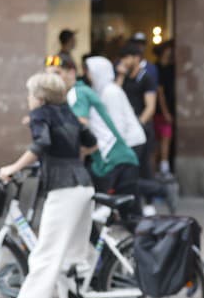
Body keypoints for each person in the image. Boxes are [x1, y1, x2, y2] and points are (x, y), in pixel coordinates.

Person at [0, 72, 96, 298]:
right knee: (74, 253)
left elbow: (41, 144)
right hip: (84, 185)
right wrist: (69, 158)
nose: (28, 99)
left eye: (29, 95)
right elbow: (90, 141)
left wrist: (12, 168)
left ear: (38, 97)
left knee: (45, 255)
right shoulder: (67, 112)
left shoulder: (41, 115)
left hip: (63, 189)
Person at [58, 56, 142, 221]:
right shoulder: (83, 91)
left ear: (71, 73)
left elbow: (81, 125)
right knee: (128, 216)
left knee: (131, 219)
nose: (53, 79)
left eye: (57, 73)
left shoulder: (77, 93)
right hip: (112, 159)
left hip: (114, 157)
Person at [116, 41, 158, 181]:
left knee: (144, 165)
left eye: (127, 58)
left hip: (142, 127)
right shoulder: (124, 77)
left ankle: (152, 197)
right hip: (126, 127)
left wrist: (139, 124)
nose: (124, 62)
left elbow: (150, 106)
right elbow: (115, 95)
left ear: (136, 58)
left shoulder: (146, 78)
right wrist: (121, 76)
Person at [154, 40, 176, 177]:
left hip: (170, 107)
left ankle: (163, 166)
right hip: (160, 110)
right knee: (162, 138)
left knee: (166, 137)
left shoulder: (173, 67)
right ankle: (162, 167)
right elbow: (159, 92)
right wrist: (165, 111)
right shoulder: (157, 69)